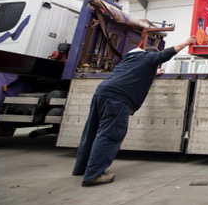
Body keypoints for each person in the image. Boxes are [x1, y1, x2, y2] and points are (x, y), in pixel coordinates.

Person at [73, 35, 196, 187]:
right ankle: (93, 175)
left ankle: (81, 168)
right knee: (109, 135)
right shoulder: (149, 57)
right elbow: (166, 54)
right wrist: (186, 42)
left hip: (101, 93)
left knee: (91, 131)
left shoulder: (130, 59)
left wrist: (153, 72)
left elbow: (137, 72)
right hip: (117, 99)